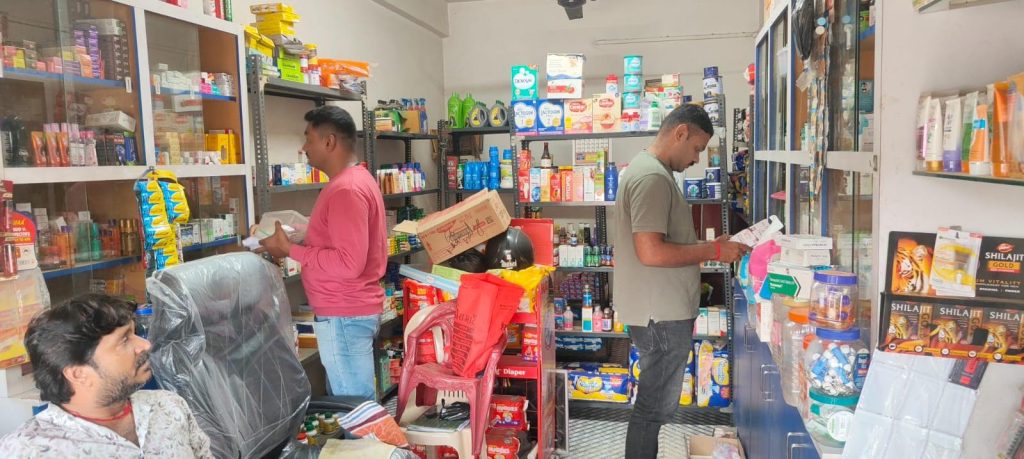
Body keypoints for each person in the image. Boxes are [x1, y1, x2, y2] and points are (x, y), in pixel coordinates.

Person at [613, 104, 750, 459]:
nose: (696, 159)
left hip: (658, 310)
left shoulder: (651, 170)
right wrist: (714, 251)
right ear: (680, 133)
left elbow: (664, 241)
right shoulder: (652, 179)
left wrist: (711, 245)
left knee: (653, 407)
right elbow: (651, 252)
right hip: (659, 315)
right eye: (697, 149)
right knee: (652, 409)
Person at [258, 105, 387, 400]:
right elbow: (345, 238)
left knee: (354, 409)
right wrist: (303, 233)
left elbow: (349, 263)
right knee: (352, 402)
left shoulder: (346, 190)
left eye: (309, 139)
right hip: (348, 313)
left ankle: (366, 435)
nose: (304, 148)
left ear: (329, 142)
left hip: (344, 315)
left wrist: (289, 249)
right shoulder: (357, 179)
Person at [0, 294, 212, 457]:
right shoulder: (28, 450)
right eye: (124, 339)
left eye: (134, 332)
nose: (145, 345)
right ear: (78, 373)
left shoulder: (169, 407)